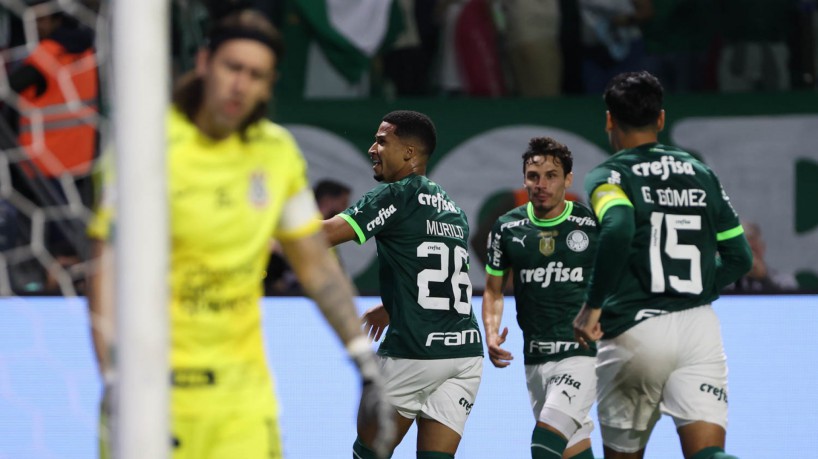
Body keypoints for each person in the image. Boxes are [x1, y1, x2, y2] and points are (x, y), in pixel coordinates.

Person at [86, 10, 394, 459]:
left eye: (256, 75)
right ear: (205, 62)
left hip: (241, 404)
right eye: (233, 68)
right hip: (151, 396)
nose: (241, 84)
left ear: (269, 85)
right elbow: (104, 273)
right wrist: (114, 381)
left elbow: (317, 267)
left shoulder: (276, 154)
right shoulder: (144, 142)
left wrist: (365, 365)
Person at [572, 71, 752, 459]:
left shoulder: (610, 176)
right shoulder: (701, 175)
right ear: (661, 119)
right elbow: (741, 258)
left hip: (634, 331)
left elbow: (618, 228)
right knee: (707, 453)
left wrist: (593, 306)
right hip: (698, 327)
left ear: (608, 120)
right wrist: (699, 287)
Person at [322, 110, 483, 459]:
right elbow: (435, 274)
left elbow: (323, 236)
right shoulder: (452, 208)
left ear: (409, 153)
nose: (371, 149)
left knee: (368, 451)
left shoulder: (397, 195)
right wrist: (393, 304)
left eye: (382, 141)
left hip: (415, 351)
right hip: (464, 352)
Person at [482, 137, 599, 459]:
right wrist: (491, 332)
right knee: (571, 451)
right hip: (535, 358)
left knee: (543, 445)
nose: (541, 184)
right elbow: (493, 290)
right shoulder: (507, 228)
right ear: (524, 180)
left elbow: (618, 277)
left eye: (551, 175)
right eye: (534, 176)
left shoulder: (590, 224)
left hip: (582, 355)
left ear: (568, 180)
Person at [263, 178, 352, 295]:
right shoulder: (295, 222)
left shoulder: (332, 235)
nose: (345, 210)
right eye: (343, 203)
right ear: (327, 200)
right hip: (283, 296)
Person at [724, 220, 798, 293]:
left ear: (762, 248)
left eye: (753, 250)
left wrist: (764, 279)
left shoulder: (782, 281)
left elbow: (786, 302)